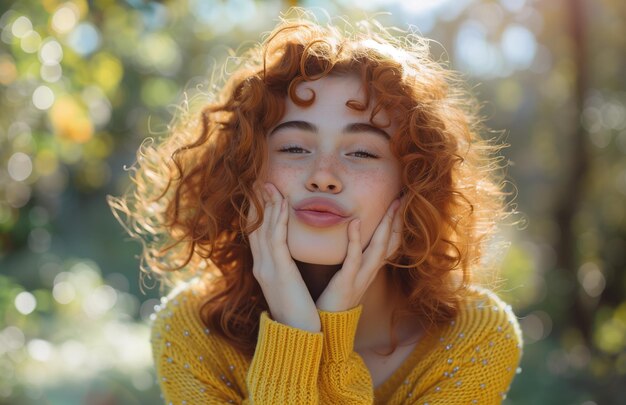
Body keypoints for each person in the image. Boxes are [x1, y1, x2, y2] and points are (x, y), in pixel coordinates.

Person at [110, 9, 523, 404]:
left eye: (361, 152)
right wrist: (295, 330)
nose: (324, 175)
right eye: (293, 147)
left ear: (414, 185)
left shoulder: (474, 336)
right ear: (244, 172)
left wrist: (328, 331)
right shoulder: (192, 329)